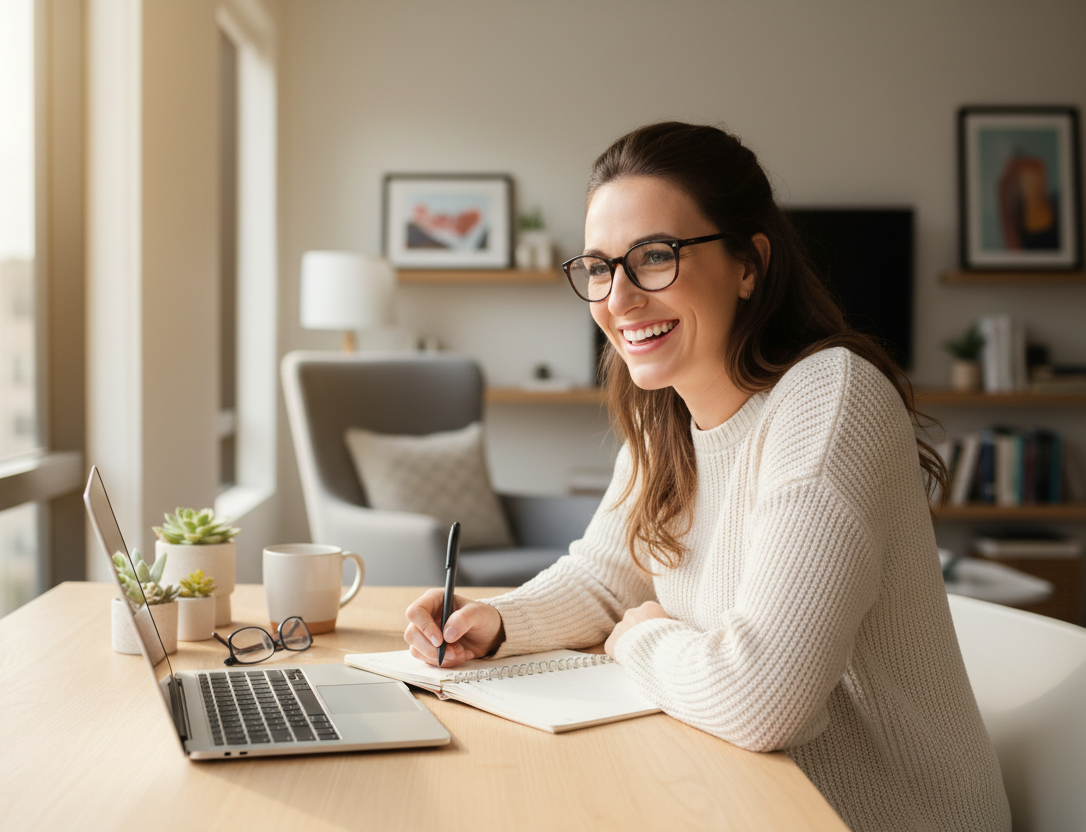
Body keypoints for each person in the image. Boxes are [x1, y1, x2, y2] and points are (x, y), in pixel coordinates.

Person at [403, 122, 1010, 831]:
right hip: (738, 793)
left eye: (654, 257)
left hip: (873, 816)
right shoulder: (665, 415)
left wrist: (638, 638)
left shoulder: (830, 399)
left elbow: (762, 699)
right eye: (599, 267)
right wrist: (500, 621)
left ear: (749, 263)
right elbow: (606, 579)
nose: (619, 299)